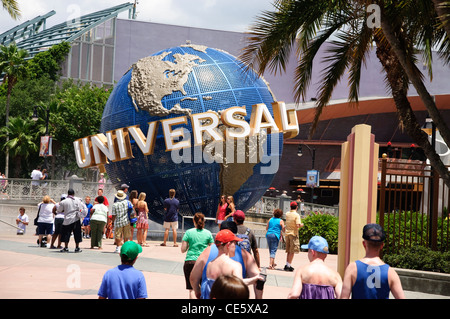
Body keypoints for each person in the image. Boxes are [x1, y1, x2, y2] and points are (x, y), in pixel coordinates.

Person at [190, 221, 264, 299]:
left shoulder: (210, 263)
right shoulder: (236, 265)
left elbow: (193, 278)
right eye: (234, 243)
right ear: (228, 245)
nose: (236, 246)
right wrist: (254, 280)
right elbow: (238, 283)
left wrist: (197, 291)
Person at [340, 223, 405, 299]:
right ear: (382, 245)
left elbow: (344, 297)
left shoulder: (352, 268)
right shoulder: (390, 272)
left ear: (364, 244)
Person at [181, 212, 214, 298]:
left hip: (190, 262)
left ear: (193, 221)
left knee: (192, 289)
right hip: (203, 263)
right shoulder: (208, 233)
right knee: (204, 288)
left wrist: (189, 245)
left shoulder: (188, 232)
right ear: (204, 222)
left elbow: (183, 250)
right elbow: (213, 249)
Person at [57, 188, 87, 253]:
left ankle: (66, 247)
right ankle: (77, 247)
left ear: (68, 194)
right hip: (76, 219)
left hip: (67, 219)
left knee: (66, 234)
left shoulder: (64, 201)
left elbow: (59, 210)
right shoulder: (78, 200)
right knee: (77, 233)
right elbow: (81, 208)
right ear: (73, 194)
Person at [284, 201, 303, 271]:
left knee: (288, 250)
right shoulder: (297, 215)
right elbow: (298, 225)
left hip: (287, 233)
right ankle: (288, 266)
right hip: (293, 234)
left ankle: (287, 264)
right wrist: (302, 225)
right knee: (292, 251)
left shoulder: (287, 214)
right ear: (297, 207)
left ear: (290, 207)